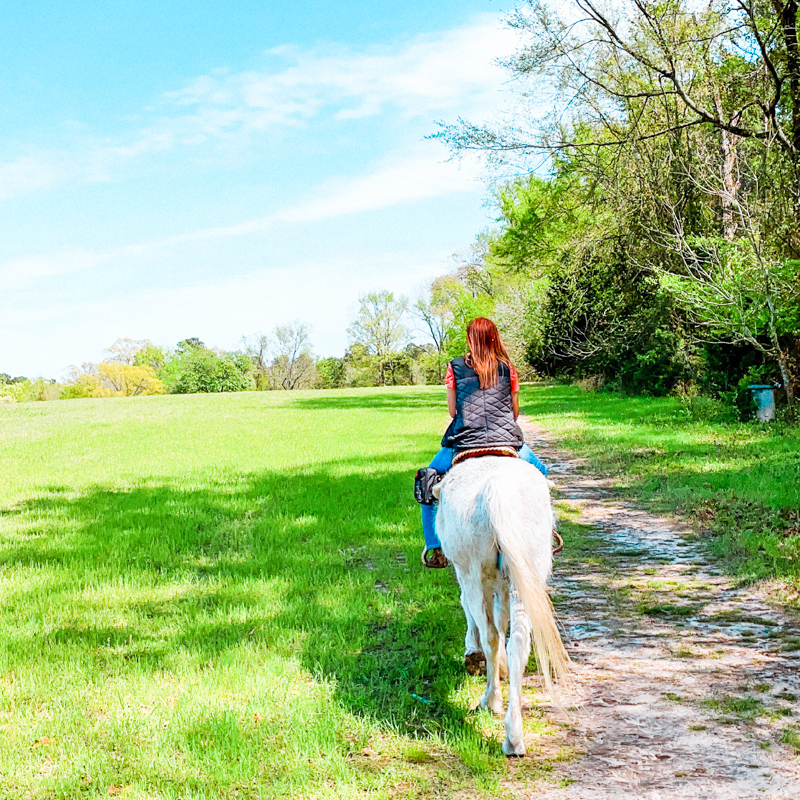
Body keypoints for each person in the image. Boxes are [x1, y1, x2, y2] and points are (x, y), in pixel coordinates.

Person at [421, 317, 548, 568]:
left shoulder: (454, 368)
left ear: (470, 339)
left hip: (465, 442)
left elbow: (452, 410)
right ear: (494, 338)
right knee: (541, 474)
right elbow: (514, 411)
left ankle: (435, 546)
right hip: (506, 442)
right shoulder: (507, 367)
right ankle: (547, 534)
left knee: (427, 480)